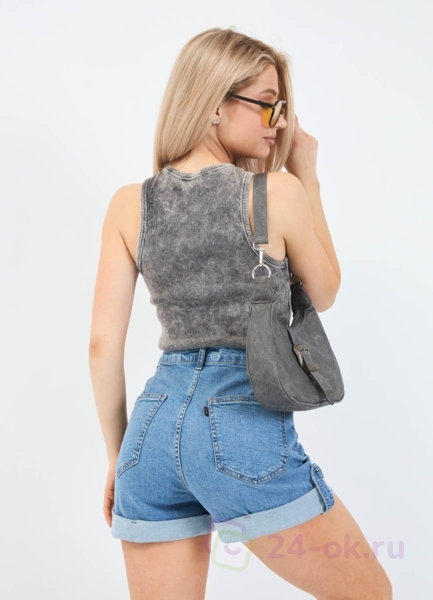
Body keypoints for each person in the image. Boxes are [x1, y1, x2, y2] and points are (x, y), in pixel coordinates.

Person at [88, 27, 392, 600]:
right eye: (267, 103)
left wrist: (118, 455)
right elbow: (325, 289)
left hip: (150, 430)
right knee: (369, 593)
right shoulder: (275, 192)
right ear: (213, 103)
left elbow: (102, 344)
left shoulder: (130, 204)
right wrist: (307, 174)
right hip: (238, 419)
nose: (280, 121)